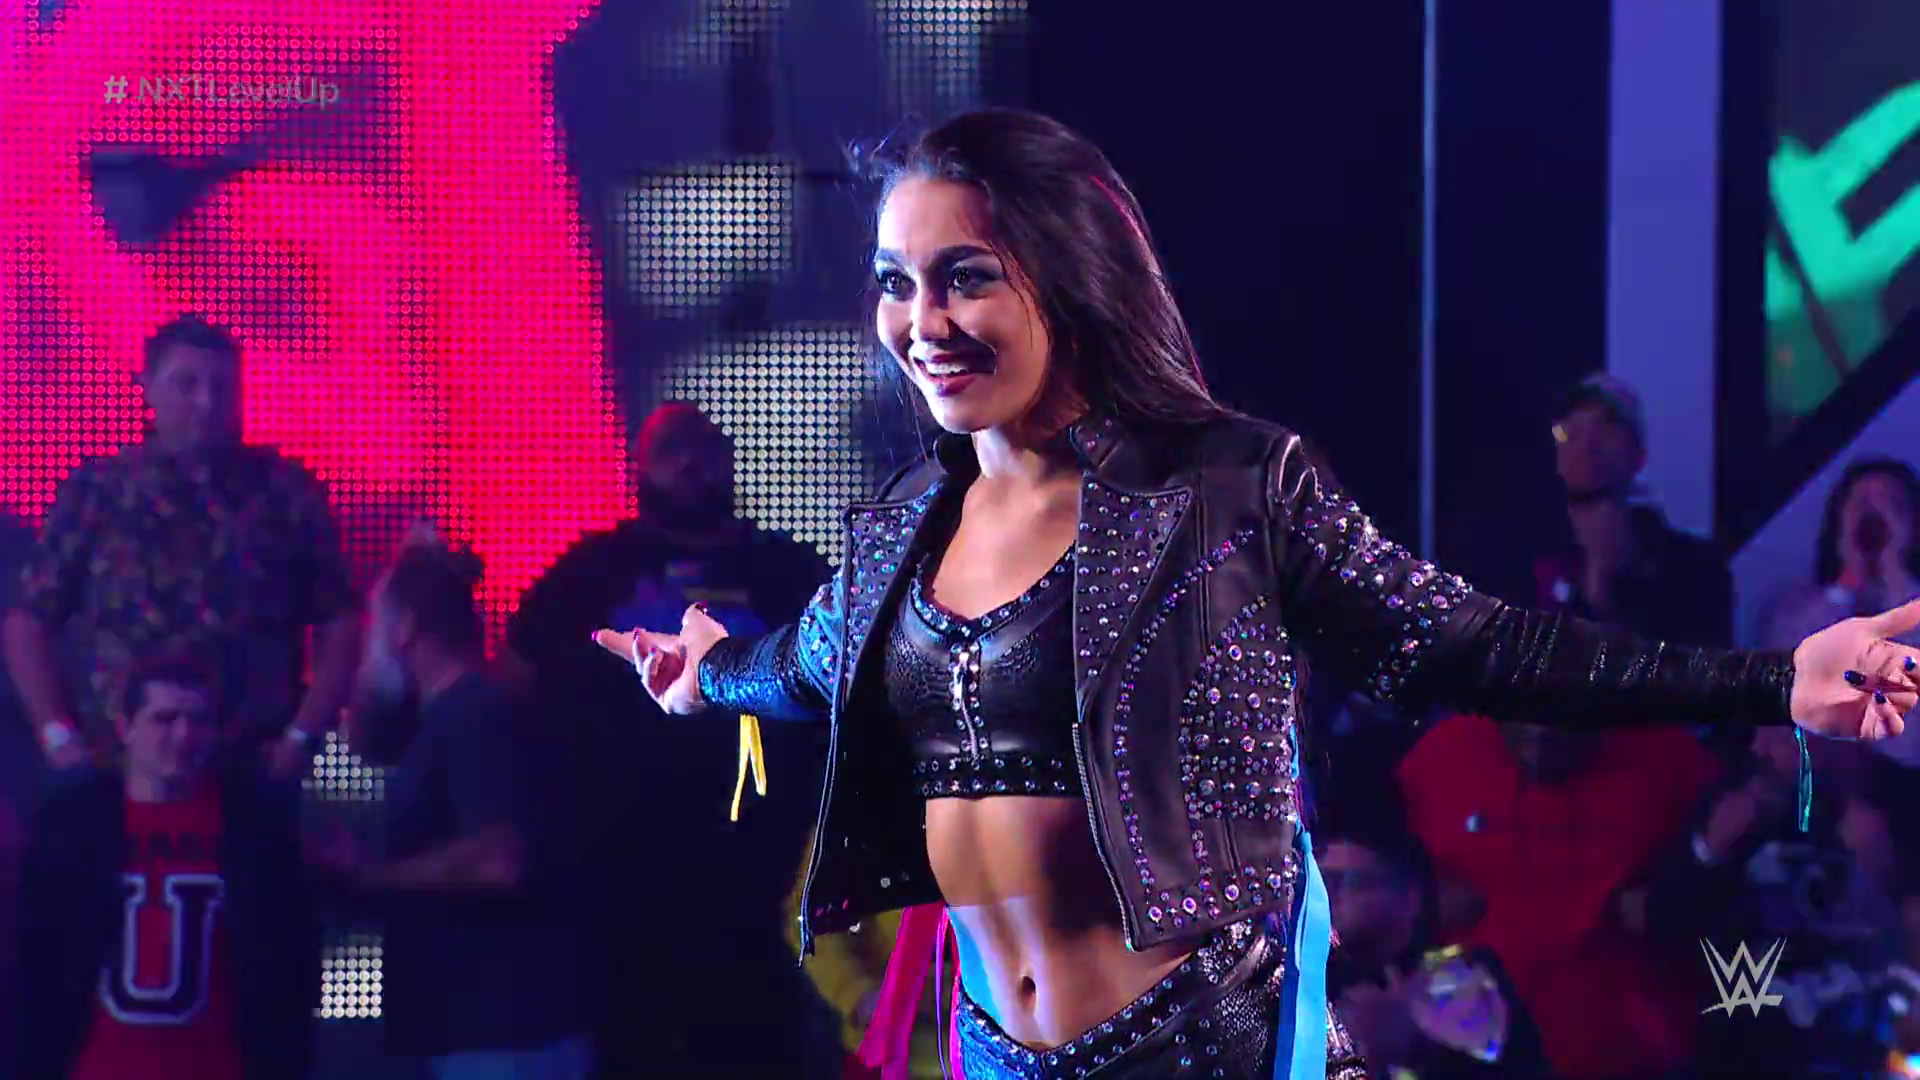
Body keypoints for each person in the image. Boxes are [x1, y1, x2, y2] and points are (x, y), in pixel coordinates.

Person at [591, 108, 1920, 1080]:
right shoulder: (900, 528)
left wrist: (1771, 681)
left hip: (1194, 1043)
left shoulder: (1224, 487)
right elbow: (809, 662)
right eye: (896, 283)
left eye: (966, 277)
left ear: (1066, 276)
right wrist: (704, 676)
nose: (920, 321)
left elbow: (1477, 646)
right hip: (990, 1054)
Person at [502, 402, 832, 1077]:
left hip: (761, 860)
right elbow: (512, 676)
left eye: (702, 449)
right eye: (670, 450)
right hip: (622, 862)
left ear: (729, 462)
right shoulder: (595, 569)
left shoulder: (786, 569)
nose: (688, 466)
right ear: (640, 466)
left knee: (755, 1047)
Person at [3, 314, 360, 780]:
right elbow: (29, 621)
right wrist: (57, 736)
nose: (206, 403)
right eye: (187, 384)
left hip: (252, 765)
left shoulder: (285, 494)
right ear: (149, 387)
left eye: (221, 387)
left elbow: (340, 623)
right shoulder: (98, 491)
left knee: (358, 801)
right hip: (119, 770)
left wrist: (301, 736)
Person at [314, 534, 592, 1080]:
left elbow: (499, 859)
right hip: (473, 1032)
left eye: (377, 627)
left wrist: (369, 879)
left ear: (404, 628)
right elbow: (364, 739)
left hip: (505, 1034)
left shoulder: (475, 714)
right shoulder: (446, 715)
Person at [13, 657, 320, 1080]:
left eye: (199, 721)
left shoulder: (257, 835)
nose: (183, 736)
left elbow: (289, 970)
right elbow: (37, 968)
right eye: (164, 719)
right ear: (126, 727)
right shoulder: (72, 833)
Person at [1320, 785, 1549, 1079]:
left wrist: (1410, 1044)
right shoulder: (1317, 975)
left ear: (1408, 898)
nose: (1329, 896)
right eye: (1322, 880)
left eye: (1344, 881)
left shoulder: (1464, 977)